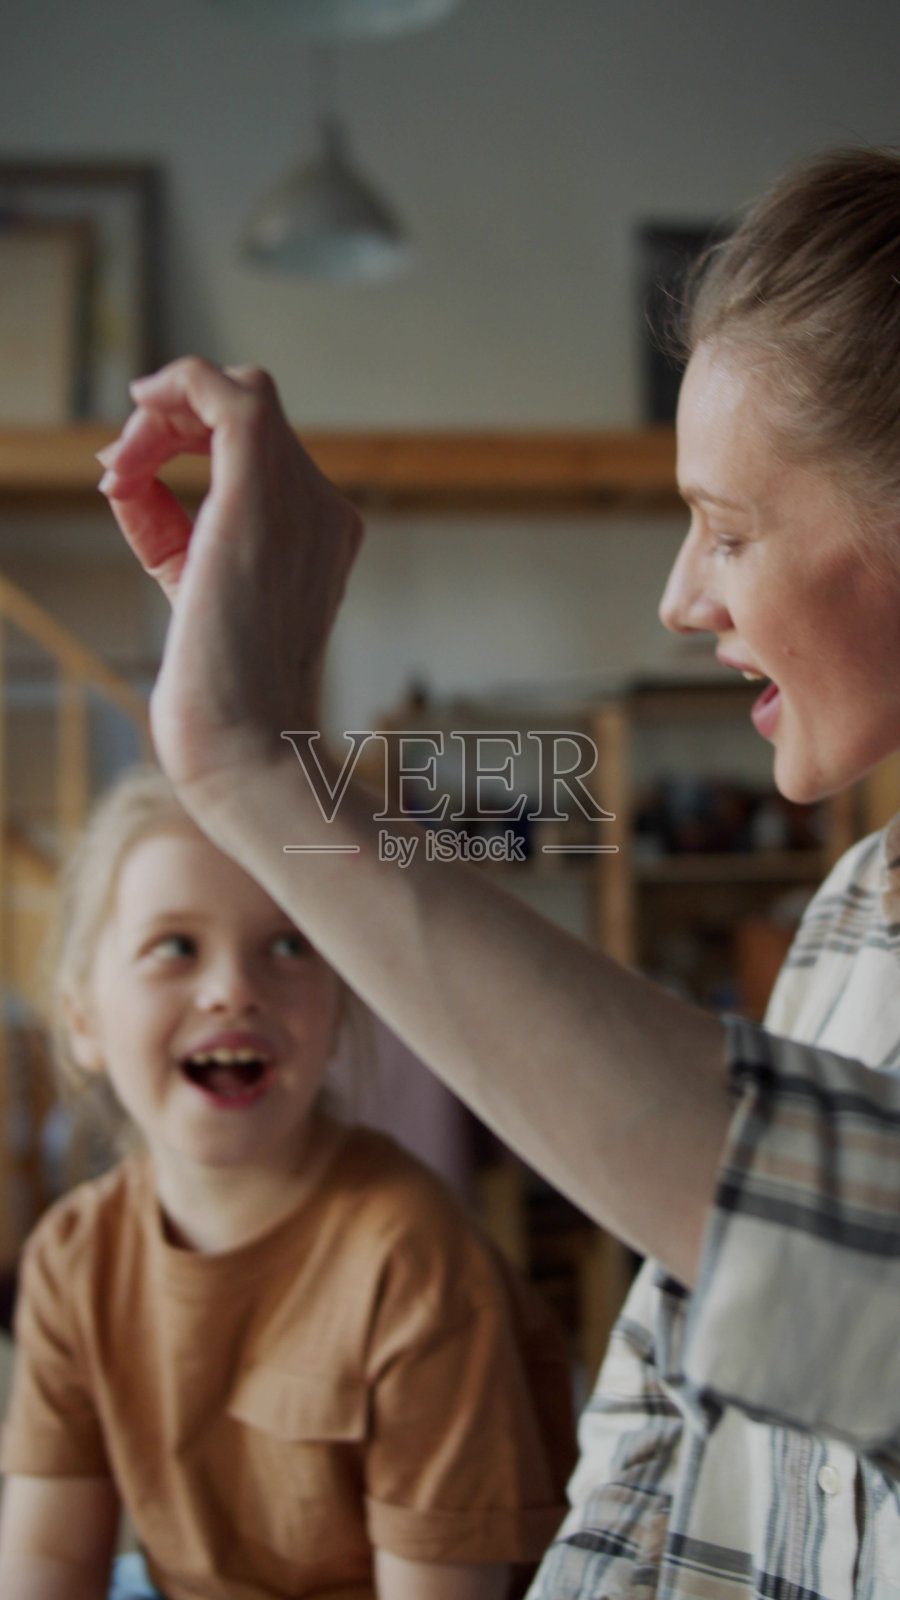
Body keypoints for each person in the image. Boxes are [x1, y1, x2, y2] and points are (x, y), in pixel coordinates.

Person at [89, 143, 900, 1599]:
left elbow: (857, 1276)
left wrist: (261, 767)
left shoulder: (401, 1253)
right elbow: (664, 1417)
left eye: (727, 529)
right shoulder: (849, 915)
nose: (679, 596)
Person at [0, 764, 576, 1600]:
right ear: (82, 1017)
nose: (233, 989)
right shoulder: (71, 1257)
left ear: (338, 1008)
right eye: (175, 947)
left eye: (288, 945)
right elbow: (49, 1561)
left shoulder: (413, 1257)